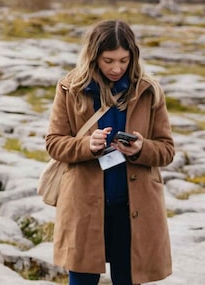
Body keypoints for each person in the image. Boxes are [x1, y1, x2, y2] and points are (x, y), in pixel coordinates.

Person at [45, 20, 174, 285]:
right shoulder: (70, 88)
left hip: (133, 209)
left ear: (133, 56)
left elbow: (167, 149)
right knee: (81, 280)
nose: (117, 68)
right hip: (84, 206)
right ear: (93, 57)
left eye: (123, 60)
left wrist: (141, 148)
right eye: (108, 61)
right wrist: (86, 146)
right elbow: (54, 143)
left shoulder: (149, 91)